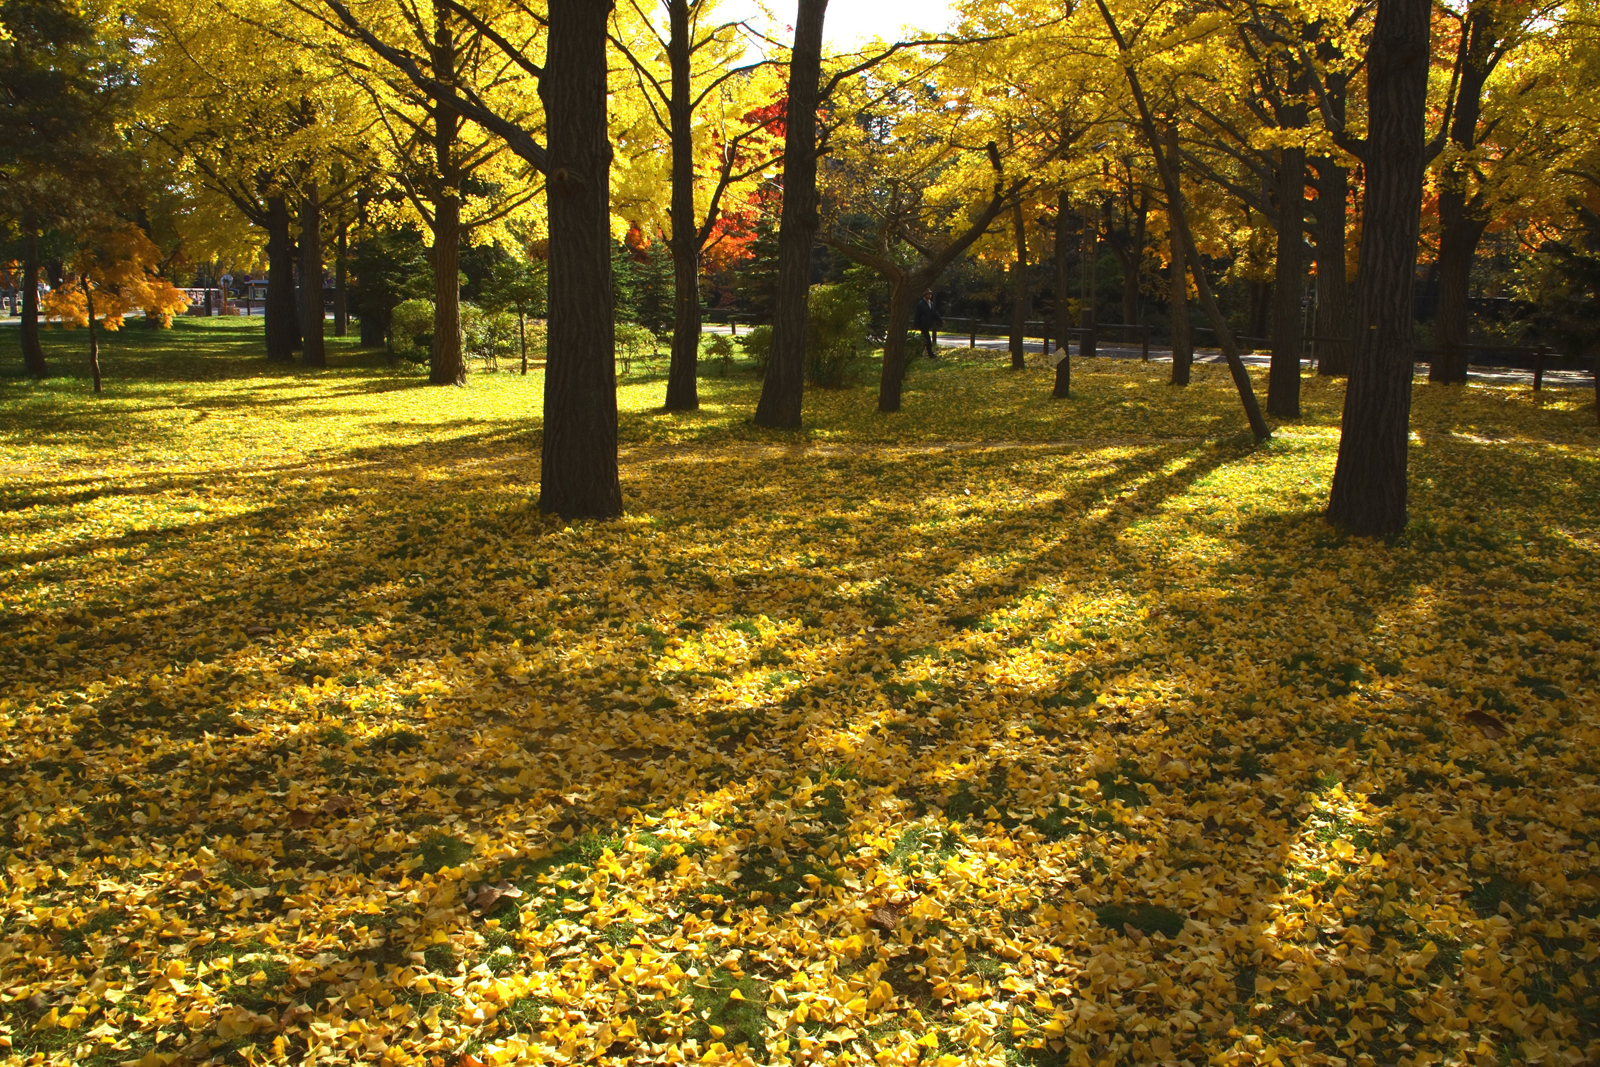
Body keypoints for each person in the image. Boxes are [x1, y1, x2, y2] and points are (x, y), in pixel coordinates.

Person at [913, 290, 943, 359]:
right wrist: (916, 324)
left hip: (928, 324)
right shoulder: (920, 304)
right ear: (924, 295)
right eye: (928, 294)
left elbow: (935, 313)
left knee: (923, 340)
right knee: (927, 339)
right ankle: (930, 354)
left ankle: (918, 353)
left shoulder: (931, 304)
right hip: (923, 324)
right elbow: (917, 315)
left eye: (930, 294)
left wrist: (940, 320)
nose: (929, 296)